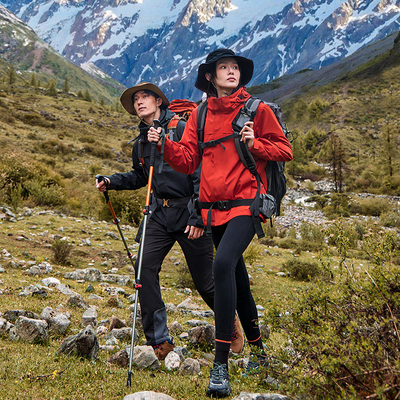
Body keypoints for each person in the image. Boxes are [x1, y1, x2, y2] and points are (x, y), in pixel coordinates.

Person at [148, 50, 293, 397]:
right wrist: (165, 144)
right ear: (211, 77)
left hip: (247, 203)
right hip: (214, 210)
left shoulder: (258, 110)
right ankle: (259, 352)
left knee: (223, 265)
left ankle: (220, 365)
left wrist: (255, 144)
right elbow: (187, 161)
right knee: (238, 279)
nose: (231, 72)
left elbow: (284, 149)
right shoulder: (199, 115)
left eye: (235, 68)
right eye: (223, 68)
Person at [96, 82, 244, 361]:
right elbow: (140, 177)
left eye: (145, 97)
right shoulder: (141, 141)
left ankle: (229, 324)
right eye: (136, 99)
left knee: (207, 284)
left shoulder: (181, 128)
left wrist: (200, 214)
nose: (140, 102)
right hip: (158, 214)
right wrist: (111, 181)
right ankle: (159, 341)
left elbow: (203, 171)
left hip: (190, 212)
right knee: (143, 271)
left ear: (159, 101)